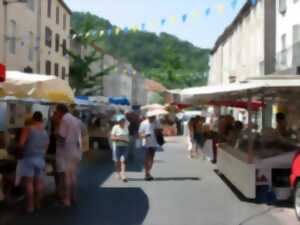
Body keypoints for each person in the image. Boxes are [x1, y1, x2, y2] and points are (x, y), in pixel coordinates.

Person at [18, 112, 49, 213]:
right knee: (38, 182)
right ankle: (38, 204)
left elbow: (21, 144)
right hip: (40, 159)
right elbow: (46, 147)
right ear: (41, 120)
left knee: (29, 183)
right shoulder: (45, 132)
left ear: (33, 119)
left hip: (29, 158)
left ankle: (30, 206)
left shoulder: (28, 128)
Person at [55, 104, 84, 207]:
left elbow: (62, 137)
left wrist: (57, 138)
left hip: (66, 151)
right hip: (75, 150)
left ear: (60, 111)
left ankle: (67, 199)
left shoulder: (65, 119)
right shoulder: (75, 120)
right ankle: (73, 196)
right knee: (73, 175)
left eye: (56, 111)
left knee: (67, 176)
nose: (56, 113)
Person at [139, 112, 161, 181]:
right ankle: (146, 173)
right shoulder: (143, 123)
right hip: (146, 143)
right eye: (150, 117)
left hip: (154, 143)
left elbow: (159, 132)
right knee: (146, 158)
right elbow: (140, 134)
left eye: (153, 117)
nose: (152, 118)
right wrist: (144, 135)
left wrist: (157, 130)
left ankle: (148, 172)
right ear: (148, 117)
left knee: (151, 159)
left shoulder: (156, 122)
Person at [111, 114, 129, 182]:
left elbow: (127, 137)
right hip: (117, 146)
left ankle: (123, 174)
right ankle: (117, 172)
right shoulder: (115, 127)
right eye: (120, 121)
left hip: (125, 146)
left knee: (123, 160)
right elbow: (112, 137)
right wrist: (121, 138)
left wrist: (126, 139)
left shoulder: (126, 126)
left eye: (123, 120)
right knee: (117, 161)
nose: (121, 122)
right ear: (118, 121)